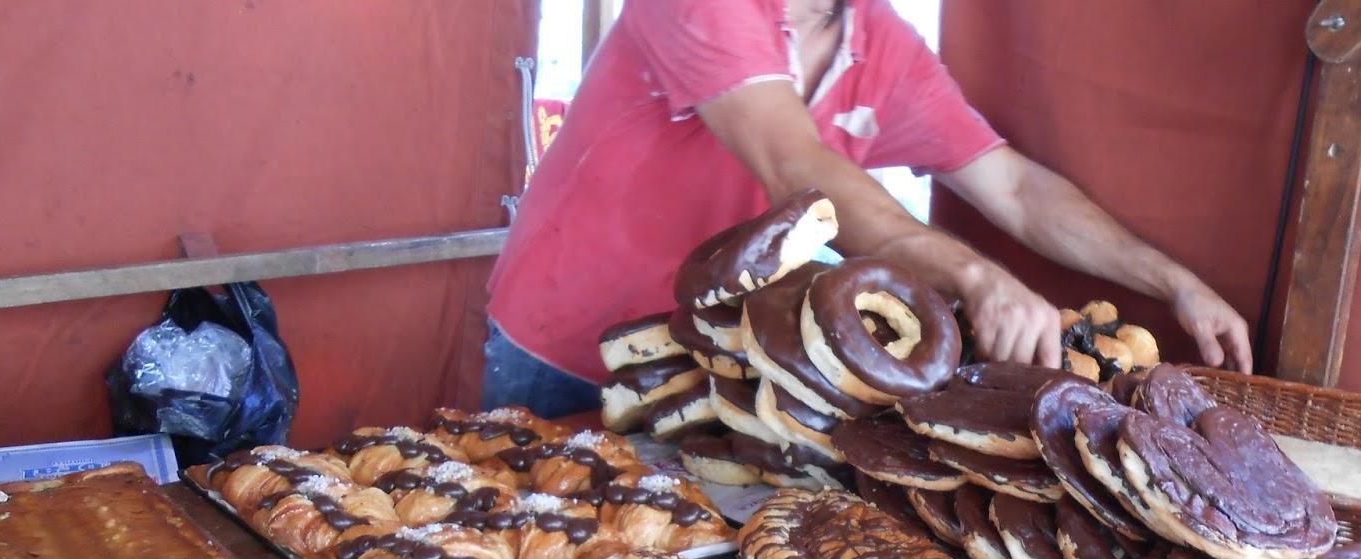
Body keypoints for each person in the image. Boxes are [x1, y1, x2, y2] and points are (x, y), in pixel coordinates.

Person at [485, 0, 1253, 417]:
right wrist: (975, 278)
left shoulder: (883, 43)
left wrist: (1171, 279)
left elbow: (1013, 188)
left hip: (713, 361)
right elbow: (795, 163)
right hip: (568, 345)